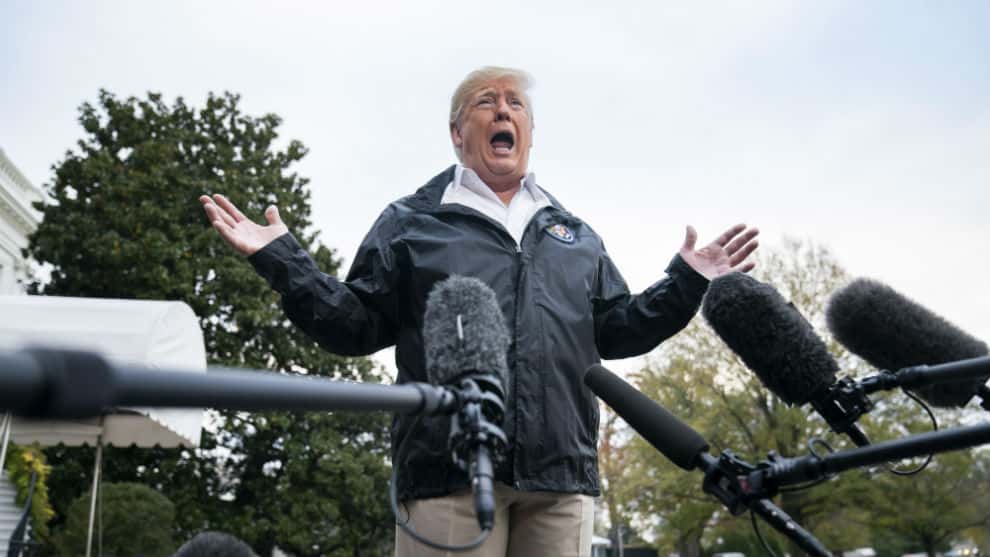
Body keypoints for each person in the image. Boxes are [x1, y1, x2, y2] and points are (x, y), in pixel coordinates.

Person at [199, 66, 758, 557]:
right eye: (486, 101)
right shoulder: (411, 222)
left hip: (560, 475)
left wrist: (686, 281)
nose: (503, 110)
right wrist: (283, 260)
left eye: (515, 103)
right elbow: (355, 324)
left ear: (531, 135)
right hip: (448, 470)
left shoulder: (575, 235)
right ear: (456, 131)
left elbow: (619, 331)